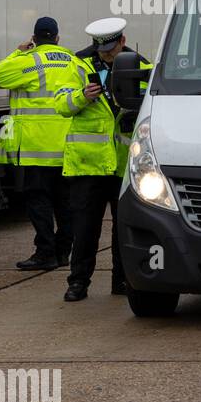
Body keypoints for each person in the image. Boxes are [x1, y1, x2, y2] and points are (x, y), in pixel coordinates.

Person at [56, 17, 151, 302]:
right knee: (85, 228)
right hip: (89, 163)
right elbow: (61, 104)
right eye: (101, 50)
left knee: (124, 226)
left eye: (110, 49)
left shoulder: (142, 67)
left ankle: (122, 280)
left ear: (122, 42)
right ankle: (78, 282)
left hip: (125, 164)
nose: (105, 54)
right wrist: (82, 96)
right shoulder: (78, 65)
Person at [0, 16, 78, 270]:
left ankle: (45, 253)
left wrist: (17, 53)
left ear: (34, 39)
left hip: (36, 148)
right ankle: (63, 252)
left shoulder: (29, 61)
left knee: (39, 200)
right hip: (67, 146)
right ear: (58, 38)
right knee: (66, 203)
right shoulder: (74, 62)